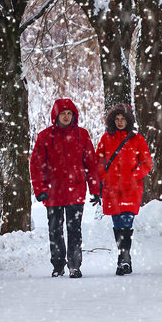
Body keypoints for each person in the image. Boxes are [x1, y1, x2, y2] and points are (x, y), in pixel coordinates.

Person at [30, 98, 100, 279]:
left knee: (74, 229)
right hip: (53, 193)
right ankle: (58, 265)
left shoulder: (82, 135)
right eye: (63, 113)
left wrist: (95, 189)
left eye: (70, 113)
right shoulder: (44, 136)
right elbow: (36, 165)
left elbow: (91, 164)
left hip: (75, 191)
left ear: (74, 115)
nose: (67, 116)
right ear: (56, 115)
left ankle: (74, 265)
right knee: (55, 230)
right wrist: (40, 189)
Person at [96, 103, 153, 276]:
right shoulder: (106, 139)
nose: (120, 122)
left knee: (127, 223)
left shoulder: (138, 140)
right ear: (112, 121)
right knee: (118, 225)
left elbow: (147, 163)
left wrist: (133, 176)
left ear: (129, 121)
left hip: (131, 189)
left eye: (123, 119)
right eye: (117, 119)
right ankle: (124, 258)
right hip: (112, 189)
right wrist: (104, 178)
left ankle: (124, 260)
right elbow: (99, 162)